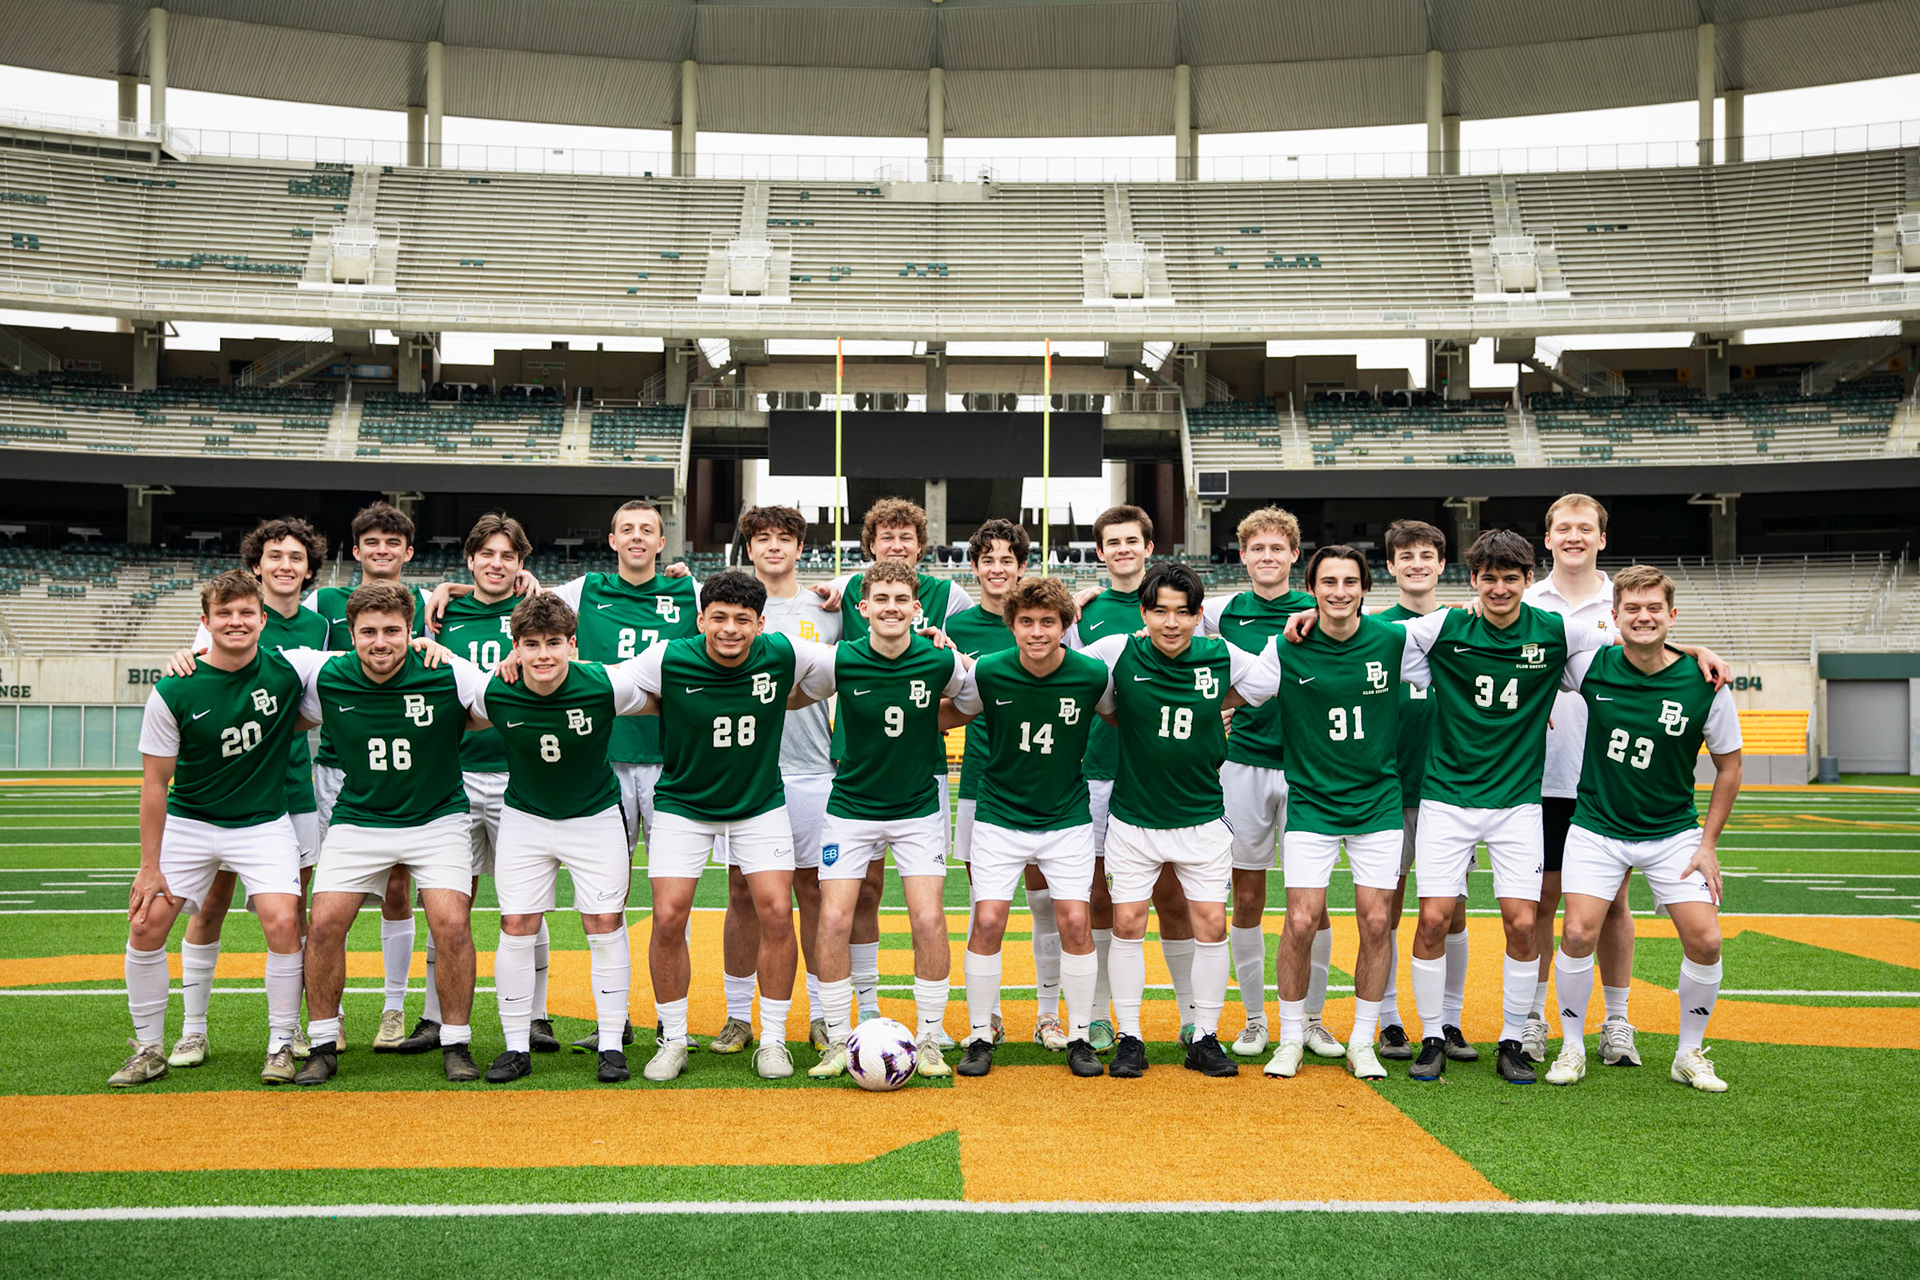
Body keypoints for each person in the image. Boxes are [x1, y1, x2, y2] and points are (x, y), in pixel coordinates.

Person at [1364, 529, 1723, 1085]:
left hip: (1518, 802)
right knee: (1433, 918)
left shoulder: (1558, 628)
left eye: (1511, 578)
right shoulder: (1443, 626)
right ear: (1473, 580)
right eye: (1489, 578)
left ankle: (1512, 1038)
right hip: (1447, 798)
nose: (1499, 588)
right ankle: (1433, 1036)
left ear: (1528, 580)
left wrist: (1693, 651)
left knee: (1522, 923)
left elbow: (1634, 638)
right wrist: (1313, 616)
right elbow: (1366, 633)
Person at [623, 570, 838, 1082]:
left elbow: (851, 664)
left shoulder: (783, 652)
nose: (730, 629)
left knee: (777, 914)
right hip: (683, 803)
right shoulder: (667, 657)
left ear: (760, 624)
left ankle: (774, 1038)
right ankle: (674, 1038)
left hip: (758, 802)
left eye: (743, 619)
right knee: (668, 916)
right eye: (719, 617)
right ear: (700, 620)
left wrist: (933, 646)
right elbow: (609, 681)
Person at [276, 581, 489, 1085]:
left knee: (451, 923)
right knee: (324, 923)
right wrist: (192, 653)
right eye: (368, 632)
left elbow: (497, 700)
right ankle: (323, 1043)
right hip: (360, 817)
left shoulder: (447, 669)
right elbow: (244, 656)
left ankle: (456, 1041)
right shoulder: (325, 673)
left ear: (411, 631)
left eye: (392, 631)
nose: (380, 642)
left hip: (437, 816)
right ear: (349, 635)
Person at [1079, 561, 1281, 1079]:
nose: (1171, 623)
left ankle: (1205, 1035)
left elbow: (1267, 679)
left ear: (1198, 615)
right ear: (1144, 612)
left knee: (1210, 924)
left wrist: (1218, 702)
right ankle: (1130, 1037)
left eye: (1183, 612)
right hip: (1134, 817)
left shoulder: (1221, 653)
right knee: (1127, 923)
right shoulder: (1116, 650)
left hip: (1202, 817)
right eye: (1161, 611)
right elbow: (1081, 681)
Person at [112, 571, 312, 1088]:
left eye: (246, 612)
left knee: (283, 923)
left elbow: (361, 659)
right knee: (145, 925)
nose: (235, 622)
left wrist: (427, 645)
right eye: (224, 613)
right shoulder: (174, 687)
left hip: (262, 823)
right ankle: (149, 1048)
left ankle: (281, 1043)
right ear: (206, 622)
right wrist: (149, 866)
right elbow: (155, 783)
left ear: (263, 619)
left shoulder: (290, 671)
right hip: (190, 823)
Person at [1545, 565, 1742, 1093]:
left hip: (1673, 832)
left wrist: (1708, 845)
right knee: (1577, 932)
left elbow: (1730, 767)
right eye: (1632, 608)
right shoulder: (1592, 665)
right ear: (1614, 617)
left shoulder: (1706, 682)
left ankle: (1689, 1052)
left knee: (1706, 940)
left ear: (1671, 615)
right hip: (1597, 825)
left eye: (1654, 608)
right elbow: (1529, 660)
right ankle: (1571, 1045)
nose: (1643, 617)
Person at [471, 593, 651, 1085]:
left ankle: (611, 1045)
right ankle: (515, 1046)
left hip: (594, 815)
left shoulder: (606, 683)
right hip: (526, 817)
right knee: (516, 924)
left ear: (573, 644)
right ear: (515, 647)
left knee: (605, 922)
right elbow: (454, 688)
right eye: (531, 644)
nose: (543, 654)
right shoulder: (495, 688)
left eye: (554, 642)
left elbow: (659, 689)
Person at [1265, 547, 1430, 1082]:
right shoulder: (1285, 645)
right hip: (1312, 801)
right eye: (1329, 582)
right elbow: (1234, 685)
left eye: (1350, 581)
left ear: (1365, 588)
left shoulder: (1395, 640)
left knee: (1377, 921)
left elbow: (1465, 648)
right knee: (1300, 920)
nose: (1340, 591)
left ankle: (1362, 1039)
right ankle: (1291, 1037)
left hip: (1376, 801)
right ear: (1311, 588)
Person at [170, 518, 330, 1069]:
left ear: (309, 569)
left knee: (291, 915)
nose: (285, 565)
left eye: (295, 557)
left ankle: (291, 1029)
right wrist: (179, 657)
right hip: (223, 791)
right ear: (255, 566)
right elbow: (196, 673)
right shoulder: (231, 616)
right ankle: (192, 1029)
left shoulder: (321, 623)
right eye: (274, 556)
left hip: (292, 785)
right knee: (209, 905)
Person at [946, 576, 1113, 1079]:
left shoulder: (1091, 673)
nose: (1037, 632)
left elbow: (1125, 715)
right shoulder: (989, 671)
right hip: (1000, 815)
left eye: (1047, 622)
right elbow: (953, 713)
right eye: (1026, 622)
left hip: (1065, 816)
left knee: (1075, 921)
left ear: (1065, 625)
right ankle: (980, 1034)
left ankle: (1079, 1035)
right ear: (1011, 625)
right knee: (988, 919)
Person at [807, 560, 967, 1080]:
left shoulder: (941, 659)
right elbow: (795, 695)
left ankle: (930, 1038)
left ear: (917, 607)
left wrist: (929, 719)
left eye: (901, 599)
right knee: (834, 919)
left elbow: (969, 703)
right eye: (881, 598)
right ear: (863, 607)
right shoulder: (840, 659)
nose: (891, 607)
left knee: (929, 919)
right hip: (851, 807)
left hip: (917, 808)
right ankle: (837, 1038)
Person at [303, 501, 439, 1053]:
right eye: (372, 542)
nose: (382, 551)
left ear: (409, 552)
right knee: (330, 898)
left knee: (399, 888)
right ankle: (328, 1017)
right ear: (355, 550)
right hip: (340, 762)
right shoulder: (322, 602)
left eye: (393, 542)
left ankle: (392, 1007)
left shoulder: (426, 601)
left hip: (405, 760)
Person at [1202, 506, 1336, 1060]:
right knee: (1248, 895)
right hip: (1244, 763)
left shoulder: (1321, 607)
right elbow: (1165, 620)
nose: (1267, 557)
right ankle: (1256, 1019)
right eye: (1257, 548)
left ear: (1294, 555)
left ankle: (1313, 1019)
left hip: (1309, 766)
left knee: (1313, 901)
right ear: (1242, 555)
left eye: (1277, 548)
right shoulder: (1222, 611)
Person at [426, 513, 559, 1054]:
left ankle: (537, 1015)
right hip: (452, 772)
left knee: (526, 901)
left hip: (517, 772)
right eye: (487, 554)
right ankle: (433, 1016)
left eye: (508, 555)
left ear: (522, 563)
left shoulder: (534, 612)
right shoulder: (440, 611)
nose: (497, 564)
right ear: (470, 559)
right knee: (448, 903)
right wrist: (446, 589)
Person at [714, 506, 841, 1055]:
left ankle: (822, 1013)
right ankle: (737, 1016)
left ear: (800, 547)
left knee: (813, 892)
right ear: (749, 548)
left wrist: (845, 582)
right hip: (746, 771)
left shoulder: (828, 608)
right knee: (741, 893)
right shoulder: (728, 608)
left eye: (784, 538)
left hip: (812, 768)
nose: (773, 546)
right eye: (762, 538)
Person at [1068, 505, 1195, 1053]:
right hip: (1100, 769)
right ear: (1100, 552)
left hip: (1167, 775)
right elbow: (1071, 682)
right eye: (1112, 542)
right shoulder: (1082, 613)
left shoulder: (1178, 602)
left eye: (1132, 541)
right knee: (1102, 897)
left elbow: (1211, 671)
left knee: (1173, 897)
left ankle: (1193, 1015)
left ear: (1149, 546)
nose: (1123, 550)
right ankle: (1100, 1015)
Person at [1522, 493, 1642, 1069]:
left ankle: (1616, 1020)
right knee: (1541, 901)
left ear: (1602, 538)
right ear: (1547, 538)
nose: (1574, 536)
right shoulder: (1523, 598)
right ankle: (1533, 1017)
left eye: (1585, 528)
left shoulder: (1624, 603)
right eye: (1564, 528)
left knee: (1614, 903)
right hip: (1537, 775)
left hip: (1605, 777)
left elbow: (1657, 654)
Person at [1371, 518, 1470, 1063]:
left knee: (1451, 911)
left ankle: (1449, 1020)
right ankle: (1389, 1020)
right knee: (1384, 910)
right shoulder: (1375, 629)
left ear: (1441, 563)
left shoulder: (1465, 624)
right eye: (1405, 555)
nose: (1416, 564)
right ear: (1390, 566)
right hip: (1388, 787)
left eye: (1426, 555)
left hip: (1449, 791)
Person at [941, 518, 1032, 1049]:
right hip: (982, 780)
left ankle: (1049, 1015)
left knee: (1049, 906)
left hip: (1045, 782)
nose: (998, 569)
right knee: (985, 905)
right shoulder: (957, 626)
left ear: (1022, 566)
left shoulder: (1045, 617)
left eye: (1007, 560)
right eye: (988, 560)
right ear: (974, 567)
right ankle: (989, 1016)